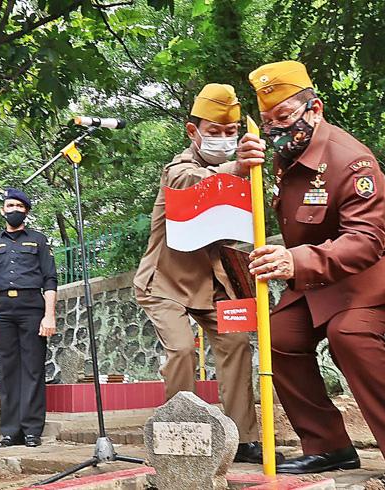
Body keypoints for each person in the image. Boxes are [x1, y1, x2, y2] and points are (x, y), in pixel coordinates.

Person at [240, 61, 385, 481]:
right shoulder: (285, 155)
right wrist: (242, 170)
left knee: (349, 334)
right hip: (323, 270)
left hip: (381, 266)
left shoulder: (351, 160)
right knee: (278, 336)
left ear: (314, 109)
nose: (276, 128)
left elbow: (365, 241)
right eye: (267, 121)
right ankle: (327, 447)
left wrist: (293, 261)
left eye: (284, 117)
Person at [133, 83, 274, 464]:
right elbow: (190, 183)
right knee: (181, 350)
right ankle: (182, 435)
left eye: (231, 133)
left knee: (237, 346)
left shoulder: (247, 176)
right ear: (192, 131)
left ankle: (241, 438)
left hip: (216, 284)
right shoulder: (177, 169)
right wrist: (236, 167)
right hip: (164, 284)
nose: (224, 139)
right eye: (214, 131)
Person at [0, 188, 58, 448]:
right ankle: (11, 431)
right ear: (2, 210)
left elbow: (50, 280)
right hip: (1, 310)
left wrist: (49, 316)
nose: (14, 210)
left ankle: (32, 430)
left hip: (32, 308)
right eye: (10, 205)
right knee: (7, 370)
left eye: (20, 206)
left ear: (26, 212)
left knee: (33, 370)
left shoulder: (39, 240)